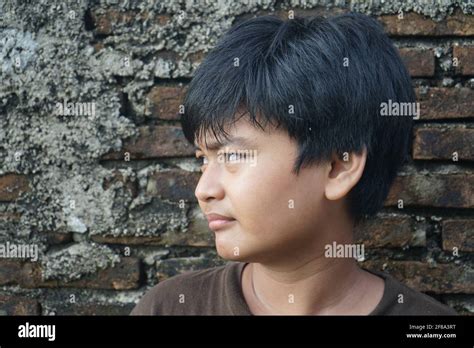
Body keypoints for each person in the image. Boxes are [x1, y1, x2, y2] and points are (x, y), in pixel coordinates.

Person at [131, 13, 457, 315]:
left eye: (232, 156)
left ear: (338, 167)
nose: (203, 190)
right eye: (203, 159)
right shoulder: (168, 308)